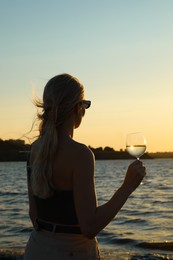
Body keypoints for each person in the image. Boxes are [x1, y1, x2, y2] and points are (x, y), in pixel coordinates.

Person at [24, 73, 146, 260]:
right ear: (77, 107)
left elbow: (34, 215)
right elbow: (90, 227)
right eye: (85, 104)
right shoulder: (80, 155)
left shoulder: (35, 150)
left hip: (36, 248)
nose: (85, 110)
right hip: (72, 252)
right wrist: (127, 187)